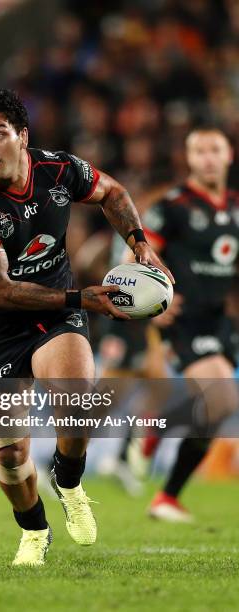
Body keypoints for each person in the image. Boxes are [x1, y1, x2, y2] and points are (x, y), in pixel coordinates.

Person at [0, 89, 171, 566]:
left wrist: (139, 244)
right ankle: (34, 531)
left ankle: (68, 480)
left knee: (77, 398)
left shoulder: (58, 170)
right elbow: (0, 292)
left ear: (21, 137)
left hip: (56, 315)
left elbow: (112, 192)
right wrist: (82, 298)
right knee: (8, 454)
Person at [140, 126, 239, 522]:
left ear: (229, 155)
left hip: (219, 320)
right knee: (223, 400)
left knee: (215, 411)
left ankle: (167, 496)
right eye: (199, 151)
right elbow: (139, 257)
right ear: (189, 159)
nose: (208, 158)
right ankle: (156, 435)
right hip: (183, 318)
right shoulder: (173, 206)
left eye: (215, 149)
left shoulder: (234, 207)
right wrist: (152, 304)